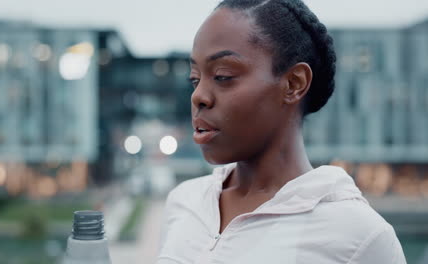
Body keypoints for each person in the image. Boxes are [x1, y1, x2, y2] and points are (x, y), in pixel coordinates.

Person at [157, 0, 406, 263]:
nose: (198, 96)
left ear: (293, 84)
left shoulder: (362, 237)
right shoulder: (183, 202)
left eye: (222, 75)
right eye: (195, 79)